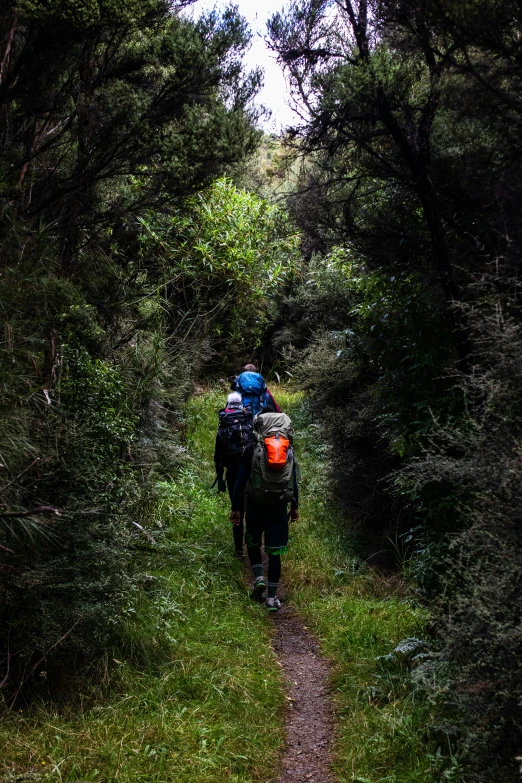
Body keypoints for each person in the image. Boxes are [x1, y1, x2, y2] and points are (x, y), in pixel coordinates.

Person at [230, 408, 299, 611]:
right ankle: (271, 598)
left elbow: (240, 481)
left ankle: (259, 576)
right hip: (278, 506)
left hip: (255, 505)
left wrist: (236, 508)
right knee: (275, 552)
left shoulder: (251, 448)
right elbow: (293, 482)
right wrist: (294, 507)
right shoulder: (287, 449)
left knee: (252, 543)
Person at [214, 392, 255, 556]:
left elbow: (218, 454)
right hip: (250, 471)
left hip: (232, 471)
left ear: (228, 404)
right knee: (251, 508)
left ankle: (239, 548)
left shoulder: (224, 423)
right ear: (241, 404)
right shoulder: (249, 420)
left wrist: (220, 477)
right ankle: (253, 543)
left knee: (236, 507)